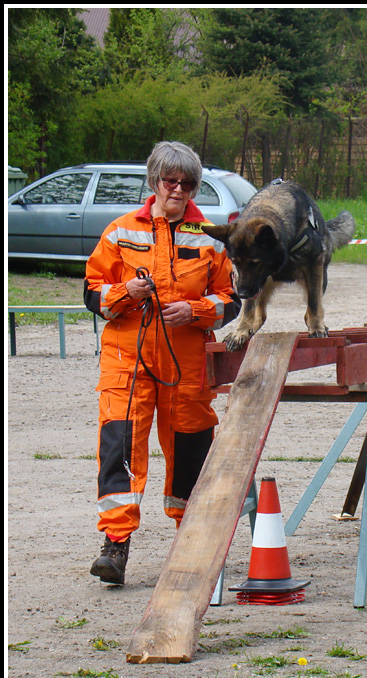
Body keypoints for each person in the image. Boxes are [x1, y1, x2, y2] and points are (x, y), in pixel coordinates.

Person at [84, 141, 241, 585]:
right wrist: (124, 294)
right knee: (119, 450)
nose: (178, 189)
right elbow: (92, 295)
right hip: (126, 364)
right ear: (155, 181)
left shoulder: (209, 237)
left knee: (191, 450)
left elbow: (231, 301)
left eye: (187, 183)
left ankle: (191, 544)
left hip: (186, 365)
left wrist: (195, 311)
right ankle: (116, 546)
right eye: (170, 181)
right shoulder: (118, 232)